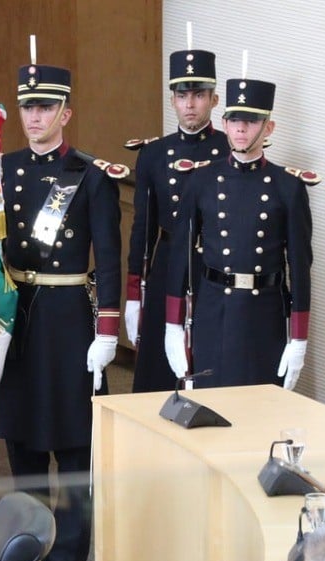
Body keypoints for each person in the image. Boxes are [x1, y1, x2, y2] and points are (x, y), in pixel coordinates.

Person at [0, 59, 124, 561]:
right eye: (27, 106)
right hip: (18, 315)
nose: (34, 115)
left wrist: (108, 330)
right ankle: (29, 549)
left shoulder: (89, 175)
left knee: (73, 446)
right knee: (23, 440)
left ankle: (68, 558)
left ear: (65, 113)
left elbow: (111, 257)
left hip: (69, 315)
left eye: (45, 107)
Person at [163, 74, 317, 390]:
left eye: (250, 121)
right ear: (225, 123)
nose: (241, 129)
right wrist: (173, 325)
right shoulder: (201, 181)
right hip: (213, 310)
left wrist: (299, 338)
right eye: (234, 120)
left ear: (268, 128)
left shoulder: (287, 187)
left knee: (259, 414)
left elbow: (300, 269)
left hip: (264, 313)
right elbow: (180, 256)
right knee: (210, 408)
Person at [123, 47, 229, 392]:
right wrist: (134, 292)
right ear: (172, 101)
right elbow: (143, 228)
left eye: (199, 95)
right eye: (183, 95)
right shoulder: (154, 154)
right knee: (158, 371)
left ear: (213, 100)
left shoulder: (230, 149)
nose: (190, 104)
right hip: (168, 262)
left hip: (215, 265)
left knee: (211, 363)